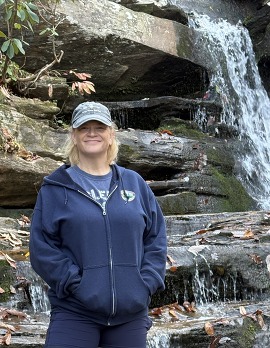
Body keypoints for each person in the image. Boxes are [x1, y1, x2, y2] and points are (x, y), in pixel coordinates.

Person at [29, 101, 167, 348]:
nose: (92, 133)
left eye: (99, 127)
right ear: (73, 135)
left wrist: (144, 284)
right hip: (75, 312)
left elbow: (155, 238)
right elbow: (42, 248)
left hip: (130, 316)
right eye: (84, 128)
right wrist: (76, 285)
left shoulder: (134, 184)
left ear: (111, 134)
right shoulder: (55, 189)